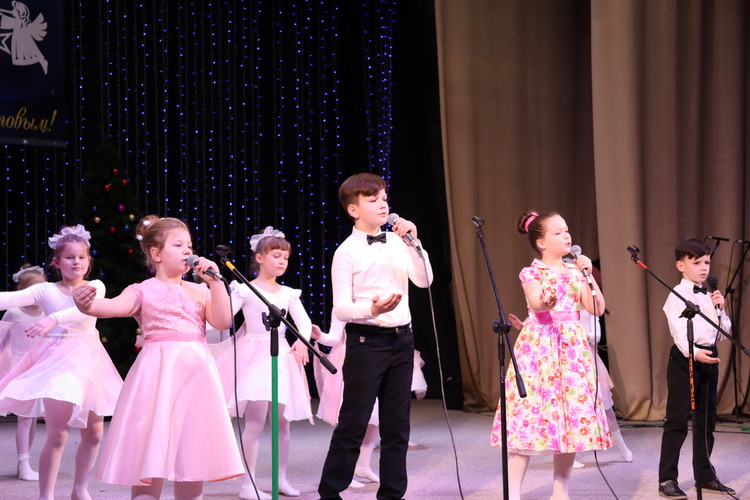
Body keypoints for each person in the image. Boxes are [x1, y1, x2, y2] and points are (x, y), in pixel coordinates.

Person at [72, 215, 245, 500]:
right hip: (158, 374)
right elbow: (112, 306)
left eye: (189, 246)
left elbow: (223, 320)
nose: (187, 251)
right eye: (178, 245)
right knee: (150, 444)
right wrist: (87, 306)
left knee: (191, 449)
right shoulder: (142, 290)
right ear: (156, 254)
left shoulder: (200, 290)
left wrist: (215, 283)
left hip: (196, 376)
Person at [317, 172, 433, 500]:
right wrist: (372, 309)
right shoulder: (346, 252)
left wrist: (415, 242)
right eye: (373, 200)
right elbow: (341, 308)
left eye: (384, 198)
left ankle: (392, 494)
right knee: (353, 423)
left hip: (402, 341)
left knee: (397, 427)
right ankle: (330, 493)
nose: (383, 205)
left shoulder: (398, 241)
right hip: (366, 342)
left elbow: (424, 280)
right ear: (354, 210)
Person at [490, 210, 610, 500]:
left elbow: (597, 308)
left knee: (570, 420)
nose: (566, 236)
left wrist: (589, 276)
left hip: (572, 351)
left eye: (566, 230)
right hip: (539, 349)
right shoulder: (532, 272)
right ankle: (513, 493)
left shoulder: (576, 271)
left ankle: (560, 492)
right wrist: (545, 301)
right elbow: (536, 302)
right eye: (558, 232)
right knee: (527, 418)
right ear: (541, 242)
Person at [0, 225, 123, 500]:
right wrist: (50, 320)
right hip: (56, 361)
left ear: (89, 261)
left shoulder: (95, 286)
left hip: (90, 361)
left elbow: (82, 311)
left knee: (94, 433)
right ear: (56, 262)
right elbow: (8, 299)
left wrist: (52, 319)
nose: (76, 262)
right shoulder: (44, 290)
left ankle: (79, 489)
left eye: (81, 257)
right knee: (58, 433)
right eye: (69, 257)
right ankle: (46, 495)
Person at [213, 226, 313, 500]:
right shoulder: (244, 288)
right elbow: (224, 317)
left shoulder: (288, 293)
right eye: (276, 256)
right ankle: (248, 484)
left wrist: (301, 341)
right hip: (254, 356)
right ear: (259, 258)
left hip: (280, 355)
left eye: (286, 257)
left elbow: (303, 323)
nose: (282, 261)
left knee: (282, 424)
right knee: (255, 422)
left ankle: (281, 479)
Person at [657, 239, 734, 499]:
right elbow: (679, 332)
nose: (703, 268)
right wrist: (694, 353)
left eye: (707, 262)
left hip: (709, 357)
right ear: (681, 265)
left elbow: (723, 334)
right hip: (685, 358)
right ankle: (667, 478)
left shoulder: (711, 295)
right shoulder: (677, 295)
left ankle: (705, 474)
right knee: (677, 420)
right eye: (697, 262)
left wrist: (721, 309)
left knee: (706, 420)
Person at [0, 264, 47, 481]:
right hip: (21, 369)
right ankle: (23, 463)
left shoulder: (48, 313)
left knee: (33, 417)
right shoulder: (14, 312)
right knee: (25, 418)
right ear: (21, 291)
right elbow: (2, 339)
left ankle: (25, 461)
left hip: (42, 368)